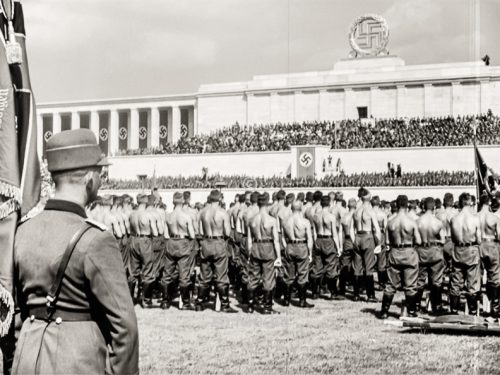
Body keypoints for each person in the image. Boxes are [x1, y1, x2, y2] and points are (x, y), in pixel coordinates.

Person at [12, 129, 138, 374]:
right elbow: (125, 327)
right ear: (90, 178)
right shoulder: (96, 239)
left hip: (27, 358)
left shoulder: (23, 231)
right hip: (77, 361)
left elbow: (17, 311)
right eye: (100, 173)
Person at [380, 195, 421, 319]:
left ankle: (384, 312)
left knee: (390, 284)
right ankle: (412, 311)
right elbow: (418, 241)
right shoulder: (412, 222)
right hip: (409, 251)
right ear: (407, 205)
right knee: (411, 285)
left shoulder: (390, 222)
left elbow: (387, 242)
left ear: (396, 205)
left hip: (395, 251)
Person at [196, 190, 237, 313]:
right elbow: (227, 232)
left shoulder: (202, 212)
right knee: (221, 275)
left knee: (204, 274)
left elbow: (200, 230)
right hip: (218, 242)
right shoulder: (223, 213)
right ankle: (224, 304)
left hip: (206, 242)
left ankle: (200, 303)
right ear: (219, 199)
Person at [247, 193, 282, 314]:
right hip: (267, 246)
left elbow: (249, 240)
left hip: (256, 246)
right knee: (268, 278)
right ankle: (267, 307)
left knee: (253, 277)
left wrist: (249, 253)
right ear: (267, 204)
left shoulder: (252, 219)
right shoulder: (272, 220)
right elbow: (276, 240)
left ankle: (250, 306)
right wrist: (278, 257)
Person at [162, 192, 196, 310]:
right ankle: (185, 302)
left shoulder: (169, 216)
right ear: (183, 201)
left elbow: (166, 235)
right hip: (183, 242)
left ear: (173, 202)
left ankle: (165, 301)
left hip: (171, 242)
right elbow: (192, 234)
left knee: (167, 273)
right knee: (184, 274)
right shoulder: (186, 216)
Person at [449, 193, 482, 315]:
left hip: (458, 249)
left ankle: (454, 311)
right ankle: (472, 312)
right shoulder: (475, 219)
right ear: (470, 203)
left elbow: (453, 238)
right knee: (472, 283)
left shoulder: (454, 219)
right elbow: (479, 240)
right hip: (471, 249)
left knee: (456, 282)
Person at [415, 197, 446, 315]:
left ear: (423, 207)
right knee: (436, 281)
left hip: (421, 251)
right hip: (434, 252)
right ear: (433, 207)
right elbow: (443, 241)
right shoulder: (438, 222)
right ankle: (436, 306)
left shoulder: (417, 221)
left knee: (419, 280)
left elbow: (415, 239)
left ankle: (416, 305)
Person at [282, 201, 314, 307]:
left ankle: (286, 300)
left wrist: (286, 246)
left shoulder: (286, 221)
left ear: (291, 208)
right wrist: (309, 253)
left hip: (290, 246)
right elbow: (309, 239)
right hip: (301, 246)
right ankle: (302, 301)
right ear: (301, 209)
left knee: (288, 274)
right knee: (302, 274)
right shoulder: (305, 222)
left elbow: (282, 238)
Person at [129, 193, 158, 307]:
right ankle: (146, 300)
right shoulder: (148, 215)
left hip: (134, 239)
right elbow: (155, 232)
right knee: (148, 270)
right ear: (146, 202)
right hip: (145, 240)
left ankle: (130, 299)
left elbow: (129, 229)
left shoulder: (132, 214)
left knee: (133, 272)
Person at [352, 188, 381, 302]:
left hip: (358, 236)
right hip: (367, 236)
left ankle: (356, 294)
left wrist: (355, 240)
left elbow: (351, 229)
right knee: (369, 268)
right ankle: (371, 295)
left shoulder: (356, 211)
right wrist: (378, 243)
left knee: (357, 268)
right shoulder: (371, 211)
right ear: (368, 197)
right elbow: (377, 229)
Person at [311, 195, 341, 299]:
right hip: (328, 239)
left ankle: (315, 292)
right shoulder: (331, 216)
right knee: (331, 266)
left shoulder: (315, 216)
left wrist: (315, 243)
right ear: (329, 204)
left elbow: (314, 232)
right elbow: (335, 234)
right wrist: (338, 247)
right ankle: (333, 292)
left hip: (318, 239)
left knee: (317, 266)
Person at [477, 194, 500, 317]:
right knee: (494, 277)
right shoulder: (494, 218)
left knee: (477, 276)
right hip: (492, 244)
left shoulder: (475, 217)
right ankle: (495, 308)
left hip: (479, 245)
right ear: (489, 203)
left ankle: (478, 307)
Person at [372, 196, 388, 290]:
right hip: (381, 235)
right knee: (381, 260)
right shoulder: (382, 214)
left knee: (369, 259)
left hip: (371, 235)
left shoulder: (369, 213)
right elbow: (385, 228)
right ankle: (382, 283)